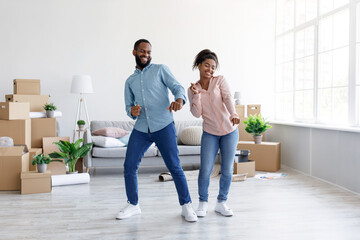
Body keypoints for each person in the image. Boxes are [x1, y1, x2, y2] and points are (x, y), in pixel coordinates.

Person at [116, 39, 198, 222]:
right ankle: (133, 204)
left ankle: (186, 206)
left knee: (175, 166)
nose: (146, 54)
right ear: (134, 52)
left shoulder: (161, 70)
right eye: (142, 51)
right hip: (141, 128)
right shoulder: (130, 81)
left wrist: (179, 100)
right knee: (129, 166)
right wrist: (132, 111)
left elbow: (177, 87)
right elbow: (128, 107)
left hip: (164, 125)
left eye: (149, 52)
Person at [188, 49, 240, 217]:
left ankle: (221, 202)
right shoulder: (192, 89)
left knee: (227, 169)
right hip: (210, 132)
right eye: (206, 65)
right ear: (199, 65)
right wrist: (196, 96)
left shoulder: (220, 81)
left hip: (229, 131)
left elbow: (227, 98)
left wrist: (233, 113)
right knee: (205, 170)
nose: (210, 70)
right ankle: (203, 203)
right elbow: (196, 113)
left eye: (213, 67)